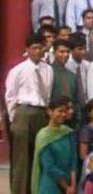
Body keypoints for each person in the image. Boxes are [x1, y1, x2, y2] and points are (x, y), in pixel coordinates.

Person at [5, 33, 53, 194]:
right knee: (22, 158)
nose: (38, 51)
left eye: (40, 48)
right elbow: (10, 96)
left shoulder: (48, 70)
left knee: (38, 155)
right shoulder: (18, 70)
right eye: (34, 48)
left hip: (41, 112)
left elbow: (47, 94)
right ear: (27, 49)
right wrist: (15, 119)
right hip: (23, 112)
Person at [31, 96, 77, 194]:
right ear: (49, 111)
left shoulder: (68, 132)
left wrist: (73, 185)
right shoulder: (43, 136)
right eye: (60, 111)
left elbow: (74, 160)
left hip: (69, 184)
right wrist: (66, 187)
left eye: (65, 111)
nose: (63, 114)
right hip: (50, 186)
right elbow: (49, 166)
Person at [50, 39, 80, 126]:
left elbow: (76, 99)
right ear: (54, 53)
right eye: (61, 52)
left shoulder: (72, 75)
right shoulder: (48, 71)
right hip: (53, 118)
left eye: (67, 52)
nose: (65, 54)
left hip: (70, 118)